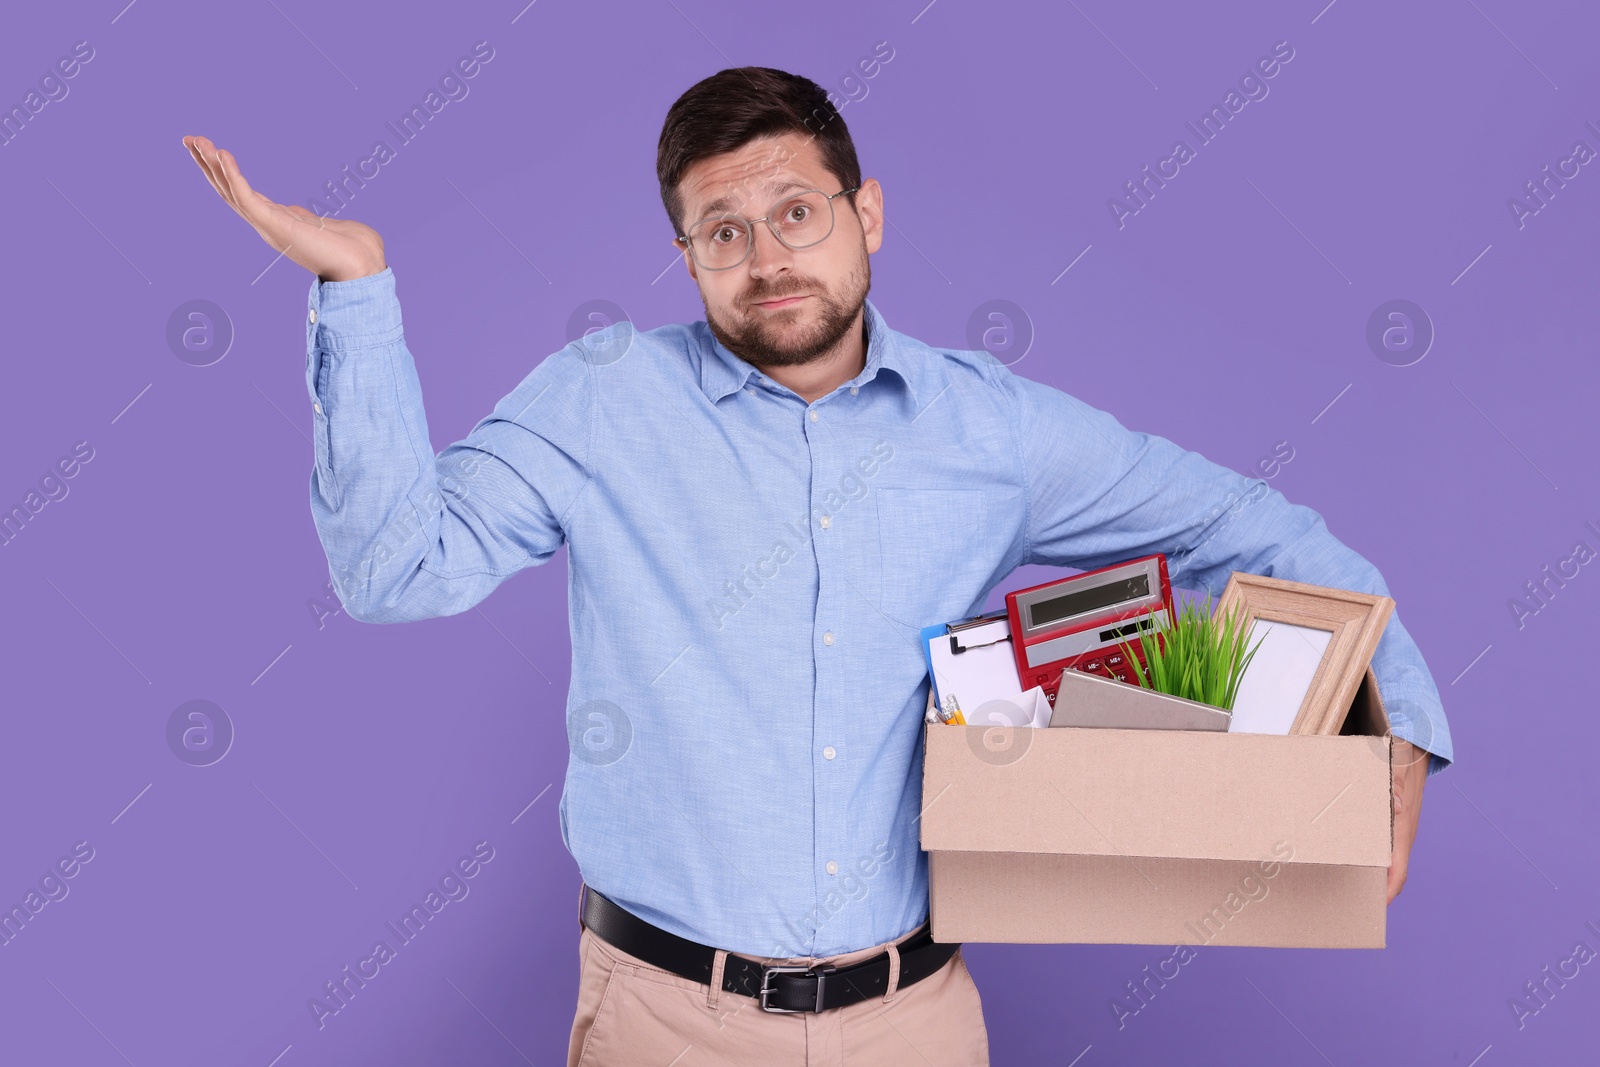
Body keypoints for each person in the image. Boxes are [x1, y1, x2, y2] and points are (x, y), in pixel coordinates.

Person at [183, 64, 1452, 1067]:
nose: (767, 255)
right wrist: (356, 290)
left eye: (795, 211)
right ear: (685, 258)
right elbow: (398, 570)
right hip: (662, 1022)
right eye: (721, 230)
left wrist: (1396, 733)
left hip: (912, 1019)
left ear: (866, 213)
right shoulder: (602, 399)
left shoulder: (989, 430)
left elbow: (1255, 525)